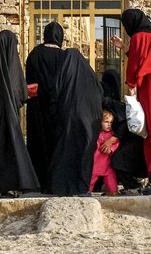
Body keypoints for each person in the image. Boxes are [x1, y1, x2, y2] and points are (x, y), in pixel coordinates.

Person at [110, 9, 151, 196]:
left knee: (150, 131)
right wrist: (125, 48)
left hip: (148, 87)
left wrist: (131, 84)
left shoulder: (139, 37)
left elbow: (136, 64)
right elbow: (144, 58)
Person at [0, 30, 39, 197]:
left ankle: (7, 187)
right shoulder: (11, 66)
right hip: (7, 117)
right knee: (7, 150)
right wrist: (28, 92)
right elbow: (19, 93)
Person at [47, 48, 103, 196]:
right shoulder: (91, 77)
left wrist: (54, 115)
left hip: (68, 121)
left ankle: (61, 188)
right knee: (85, 155)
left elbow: (55, 95)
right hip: (90, 123)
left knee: (65, 152)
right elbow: (100, 97)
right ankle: (82, 188)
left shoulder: (63, 74)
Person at [25, 21, 64, 193]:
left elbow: (29, 82)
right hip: (57, 108)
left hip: (37, 106)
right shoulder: (63, 57)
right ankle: (55, 181)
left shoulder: (34, 54)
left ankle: (37, 181)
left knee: (38, 142)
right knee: (56, 143)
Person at [99, 69, 147, 195]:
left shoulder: (110, 103)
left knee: (118, 161)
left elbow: (124, 123)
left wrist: (112, 139)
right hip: (131, 139)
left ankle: (133, 187)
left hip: (131, 139)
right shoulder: (114, 103)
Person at [90, 111, 120, 195]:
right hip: (95, 164)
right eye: (106, 122)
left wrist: (111, 150)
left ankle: (113, 193)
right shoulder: (96, 133)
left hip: (107, 165)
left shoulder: (113, 134)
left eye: (111, 122)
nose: (109, 124)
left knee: (112, 184)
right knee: (89, 183)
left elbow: (116, 143)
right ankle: (86, 193)